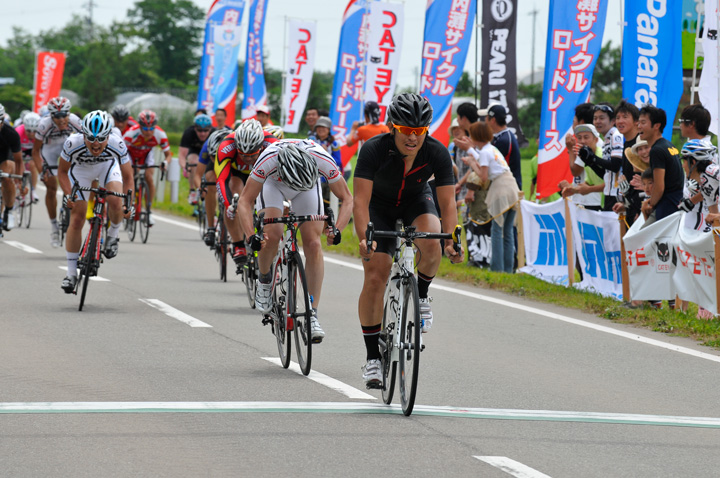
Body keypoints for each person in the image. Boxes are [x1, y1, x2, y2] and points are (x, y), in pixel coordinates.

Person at [353, 93, 464, 388]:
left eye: (419, 132)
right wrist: (366, 238)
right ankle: (373, 358)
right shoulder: (374, 150)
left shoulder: (438, 153)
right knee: (375, 276)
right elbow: (360, 202)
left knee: (432, 239)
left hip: (416, 200)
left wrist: (452, 240)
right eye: (406, 131)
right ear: (393, 127)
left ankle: (422, 294)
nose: (412, 138)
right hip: (379, 207)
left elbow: (449, 203)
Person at [237, 139, 353, 344]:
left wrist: (337, 229)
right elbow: (245, 201)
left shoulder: (322, 158)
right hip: (274, 184)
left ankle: (312, 314)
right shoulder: (267, 160)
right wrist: (250, 236)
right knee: (271, 234)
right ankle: (264, 280)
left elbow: (347, 198)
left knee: (314, 243)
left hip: (307, 186)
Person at [58, 111, 133, 292]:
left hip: (106, 167)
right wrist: (68, 195)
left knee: (115, 200)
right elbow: (62, 173)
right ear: (83, 134)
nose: (96, 143)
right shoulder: (72, 143)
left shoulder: (118, 143)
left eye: (101, 138)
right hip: (81, 170)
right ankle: (71, 274)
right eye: (91, 138)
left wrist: (128, 204)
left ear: (109, 136)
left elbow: (128, 177)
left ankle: (112, 236)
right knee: (77, 218)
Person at [215, 119, 278, 267]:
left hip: (263, 173)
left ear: (260, 147)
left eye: (252, 154)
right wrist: (228, 204)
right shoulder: (226, 145)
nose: (248, 159)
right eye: (243, 155)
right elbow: (221, 180)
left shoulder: (272, 143)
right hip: (238, 173)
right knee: (234, 195)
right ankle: (238, 245)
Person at [464, 121, 520, 273]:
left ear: (476, 137)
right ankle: (508, 270)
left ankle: (496, 268)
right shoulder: (492, 149)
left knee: (497, 230)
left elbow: (483, 177)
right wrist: (473, 156)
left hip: (501, 188)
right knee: (507, 231)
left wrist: (471, 162)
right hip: (512, 186)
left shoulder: (485, 152)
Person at [32, 96, 82, 247]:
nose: (61, 120)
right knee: (51, 186)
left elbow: (86, 140)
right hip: (50, 150)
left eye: (64, 115)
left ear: (69, 113)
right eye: (56, 116)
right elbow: (35, 151)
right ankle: (54, 227)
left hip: (68, 146)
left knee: (77, 179)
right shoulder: (44, 125)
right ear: (51, 115)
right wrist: (42, 171)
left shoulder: (74, 120)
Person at [122, 110, 172, 226]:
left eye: (151, 129)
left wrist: (165, 162)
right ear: (140, 126)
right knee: (130, 175)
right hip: (130, 154)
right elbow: (120, 151)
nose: (148, 132)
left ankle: (148, 211)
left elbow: (168, 155)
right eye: (145, 129)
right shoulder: (131, 133)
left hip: (146, 154)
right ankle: (128, 203)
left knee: (149, 177)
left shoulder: (160, 134)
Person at [638, 105, 683, 221]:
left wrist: (650, 204)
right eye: (638, 123)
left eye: (643, 122)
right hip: (677, 202)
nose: (639, 126)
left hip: (667, 206)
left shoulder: (656, 150)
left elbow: (659, 186)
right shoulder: (669, 145)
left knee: (641, 238)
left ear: (656, 126)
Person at [194, 127, 232, 246]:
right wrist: (201, 188)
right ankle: (210, 228)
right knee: (209, 180)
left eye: (214, 157)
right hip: (215, 164)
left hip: (230, 160)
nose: (214, 159)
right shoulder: (207, 147)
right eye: (212, 156)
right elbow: (198, 175)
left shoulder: (234, 145)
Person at [560, 124, 604, 210]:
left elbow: (611, 185)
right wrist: (572, 189)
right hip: (601, 202)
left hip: (604, 203)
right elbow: (589, 182)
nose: (582, 141)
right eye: (579, 138)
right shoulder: (586, 157)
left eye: (586, 137)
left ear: (596, 140)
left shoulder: (602, 155)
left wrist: (589, 189)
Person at [308, 116, 343, 209]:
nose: (321, 129)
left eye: (323, 127)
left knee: (328, 206)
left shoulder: (334, 144)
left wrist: (326, 153)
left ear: (328, 129)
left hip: (327, 178)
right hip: (313, 177)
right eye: (319, 127)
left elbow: (338, 162)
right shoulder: (311, 140)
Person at [180, 113, 214, 203]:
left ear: (210, 129)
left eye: (205, 130)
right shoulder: (189, 133)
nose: (202, 133)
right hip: (194, 152)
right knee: (193, 161)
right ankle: (192, 191)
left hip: (209, 154)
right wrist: (184, 167)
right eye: (199, 130)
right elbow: (182, 155)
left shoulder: (214, 133)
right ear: (195, 128)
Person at [0, 104, 23, 230]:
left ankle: (8, 211)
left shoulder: (11, 133)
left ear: (2, 121)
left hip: (5, 157)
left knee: (7, 177)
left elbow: (19, 161)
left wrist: (18, 180)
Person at [14, 112, 41, 204]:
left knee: (33, 165)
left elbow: (41, 151)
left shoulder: (41, 133)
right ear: (24, 126)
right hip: (19, 150)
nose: (31, 134)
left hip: (32, 151)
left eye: (34, 131)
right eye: (28, 130)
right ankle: (18, 187)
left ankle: (33, 190)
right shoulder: (18, 132)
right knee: (17, 165)